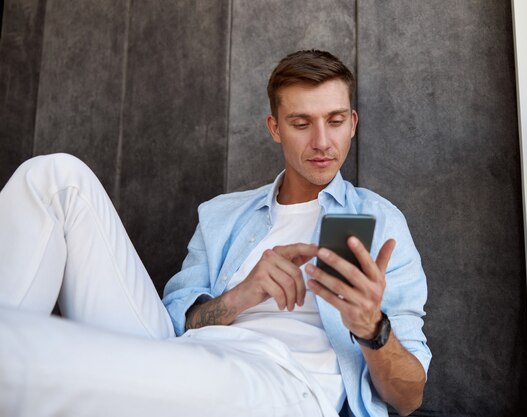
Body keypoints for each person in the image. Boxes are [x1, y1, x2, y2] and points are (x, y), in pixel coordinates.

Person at [0, 50, 430, 417]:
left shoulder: (377, 220)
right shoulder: (224, 214)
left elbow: (409, 398)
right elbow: (176, 324)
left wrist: (372, 328)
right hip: (186, 354)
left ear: (352, 123)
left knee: (94, 366)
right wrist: (241, 295)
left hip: (282, 382)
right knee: (55, 176)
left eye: (335, 121)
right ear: (275, 127)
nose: (322, 141)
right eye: (301, 124)